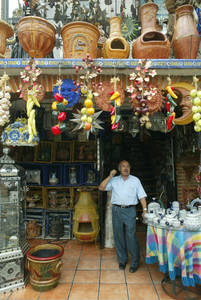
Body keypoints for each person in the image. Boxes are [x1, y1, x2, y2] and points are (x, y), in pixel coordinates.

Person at [98, 160, 147, 273]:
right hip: (116, 210)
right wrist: (110, 176)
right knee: (118, 235)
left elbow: (142, 196)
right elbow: (101, 187)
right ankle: (122, 260)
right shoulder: (114, 180)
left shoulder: (135, 180)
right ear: (119, 169)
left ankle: (135, 262)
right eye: (123, 166)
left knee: (131, 236)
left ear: (130, 168)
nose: (126, 168)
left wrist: (144, 210)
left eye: (128, 166)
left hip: (130, 210)